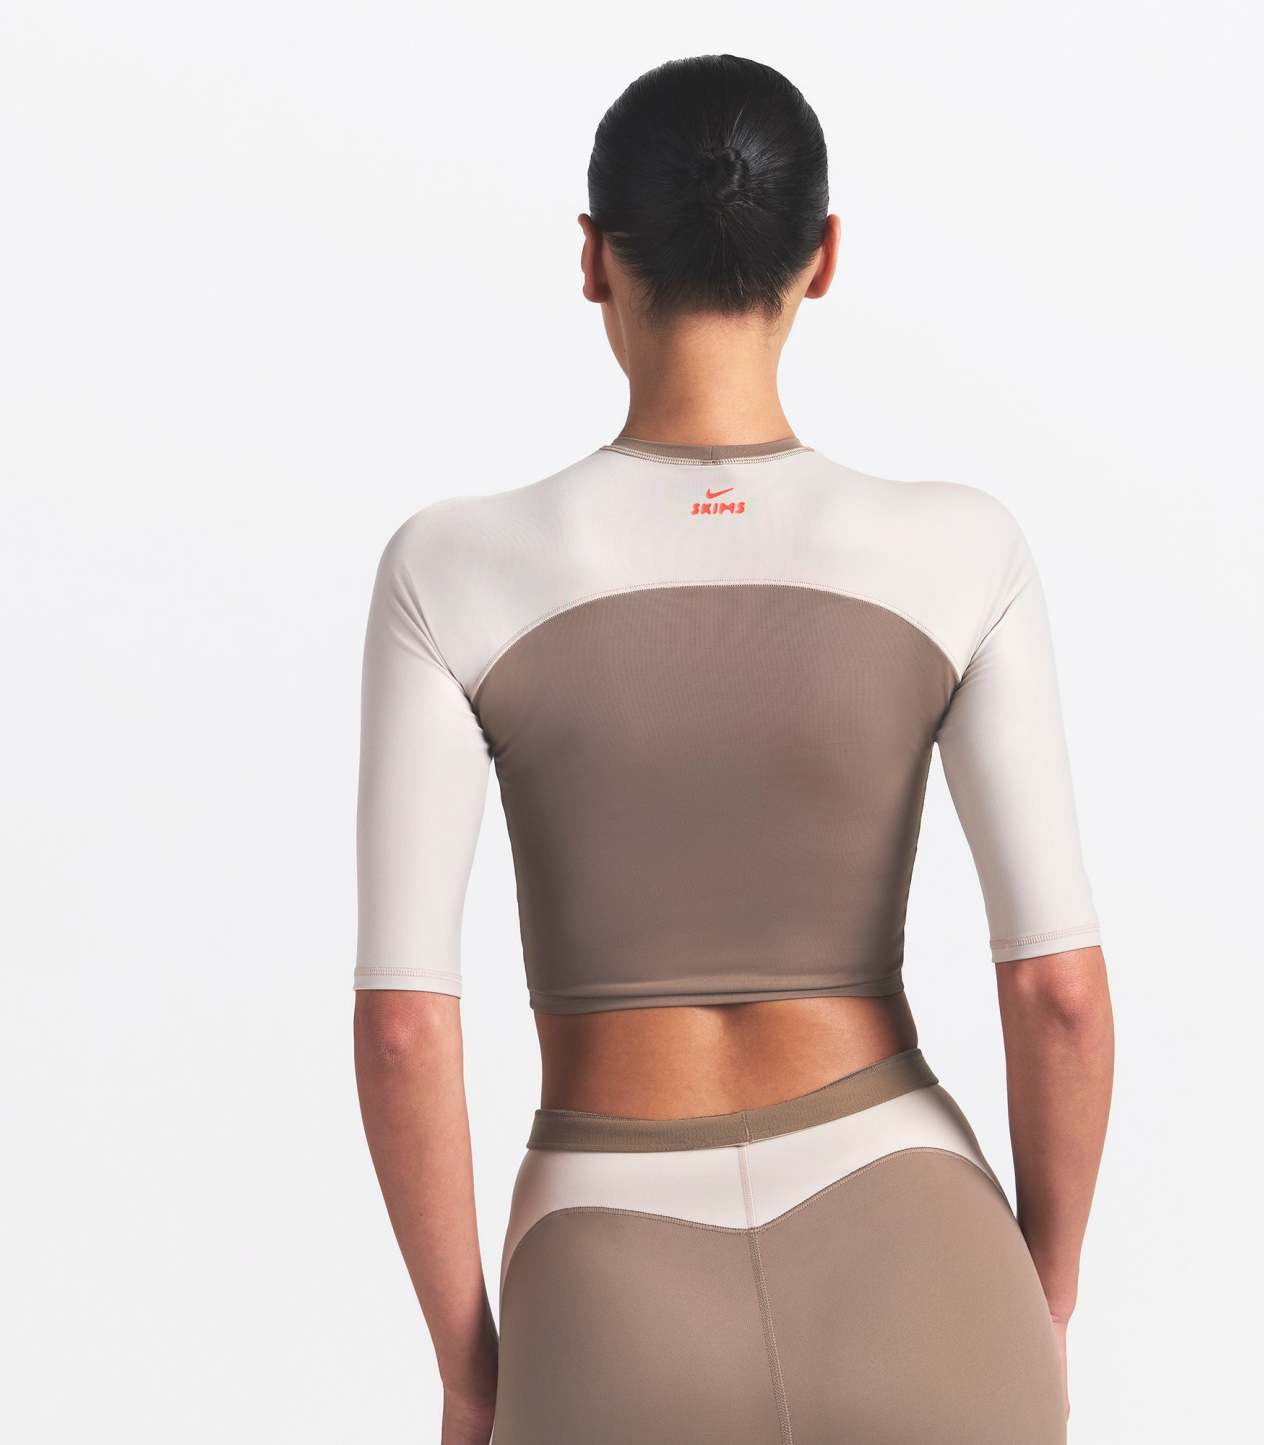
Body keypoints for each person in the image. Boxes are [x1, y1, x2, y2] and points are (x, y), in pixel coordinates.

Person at [352, 53, 1114, 1445]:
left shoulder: (451, 567)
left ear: (593, 257)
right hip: (923, 1256)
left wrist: (472, 1373)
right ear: (823, 257)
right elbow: (1058, 990)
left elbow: (404, 1024)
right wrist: (1042, 1294)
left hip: (606, 1280)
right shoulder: (959, 548)